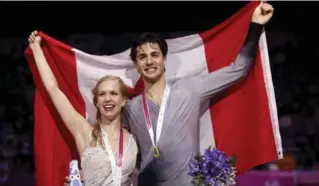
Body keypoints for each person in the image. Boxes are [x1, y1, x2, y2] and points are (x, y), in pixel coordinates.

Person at [65, 2, 274, 185]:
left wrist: (255, 25)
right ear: (136, 65)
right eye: (142, 57)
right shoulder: (130, 108)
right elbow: (111, 143)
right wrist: (91, 175)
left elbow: (239, 69)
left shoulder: (190, 90)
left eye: (155, 54)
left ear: (164, 59)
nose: (149, 61)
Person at [28, 32, 138, 186]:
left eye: (113, 93)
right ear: (97, 102)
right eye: (102, 94)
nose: (107, 99)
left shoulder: (135, 136)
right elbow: (54, 90)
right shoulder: (85, 131)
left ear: (124, 100)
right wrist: (37, 49)